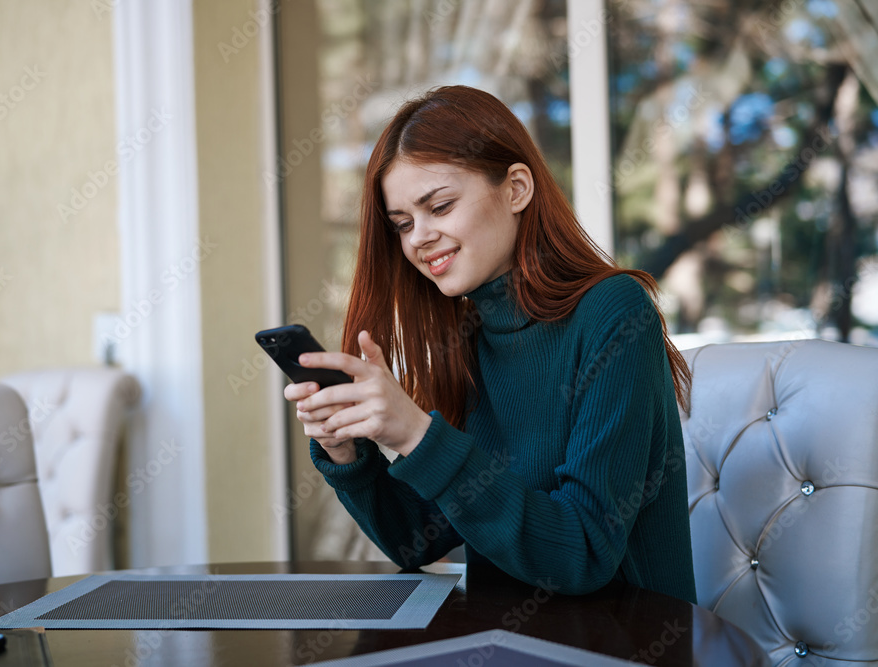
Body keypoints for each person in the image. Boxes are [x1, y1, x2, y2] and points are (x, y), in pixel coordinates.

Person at [283, 85, 697, 603]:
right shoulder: (468, 331)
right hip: (503, 641)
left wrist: (415, 432)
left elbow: (582, 554)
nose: (418, 238)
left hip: (626, 644)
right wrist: (347, 454)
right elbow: (420, 540)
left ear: (517, 188)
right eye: (403, 224)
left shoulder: (614, 311)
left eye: (440, 206)